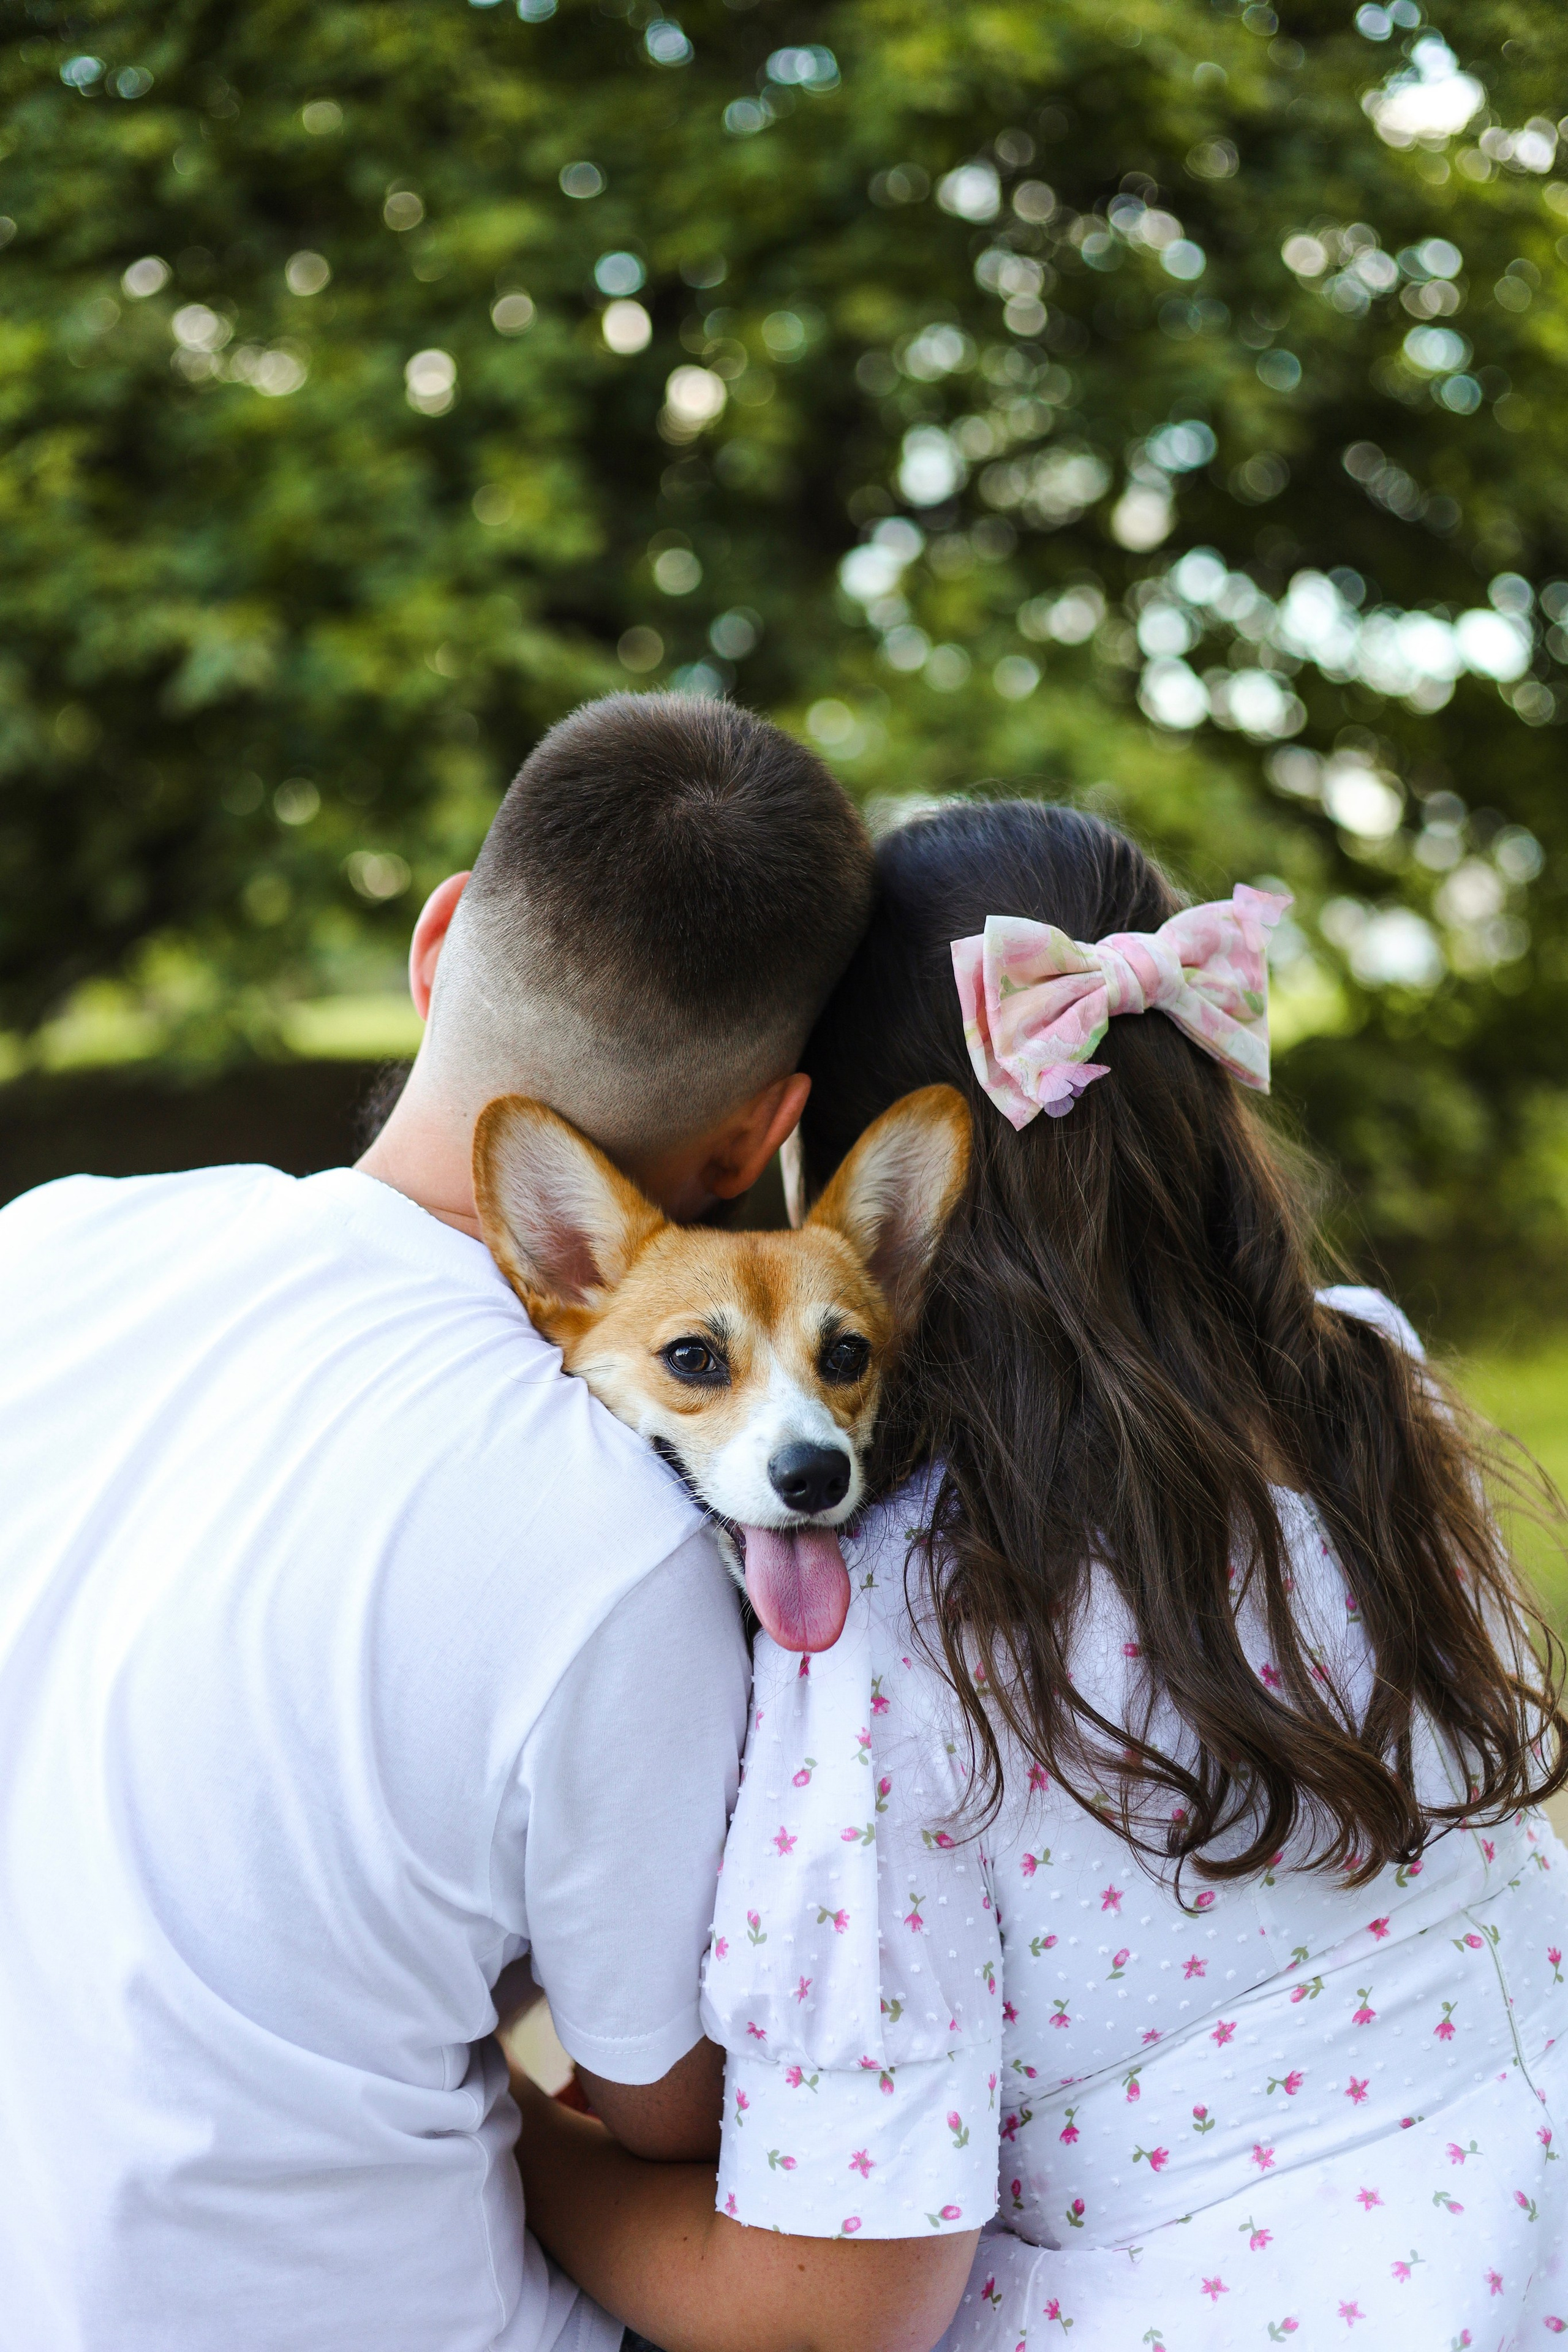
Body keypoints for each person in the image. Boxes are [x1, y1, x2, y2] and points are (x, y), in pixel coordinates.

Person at [516, 799, 1568, 2348]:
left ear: (871, 1173)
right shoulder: (1372, 1392)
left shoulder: (894, 1646)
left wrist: (497, 2134)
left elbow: (819, 2315)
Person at [0, 692, 894, 2352]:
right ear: (764, 1134)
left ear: (436, 944)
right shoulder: (617, 1549)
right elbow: (671, 2115)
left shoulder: (40, 1253)